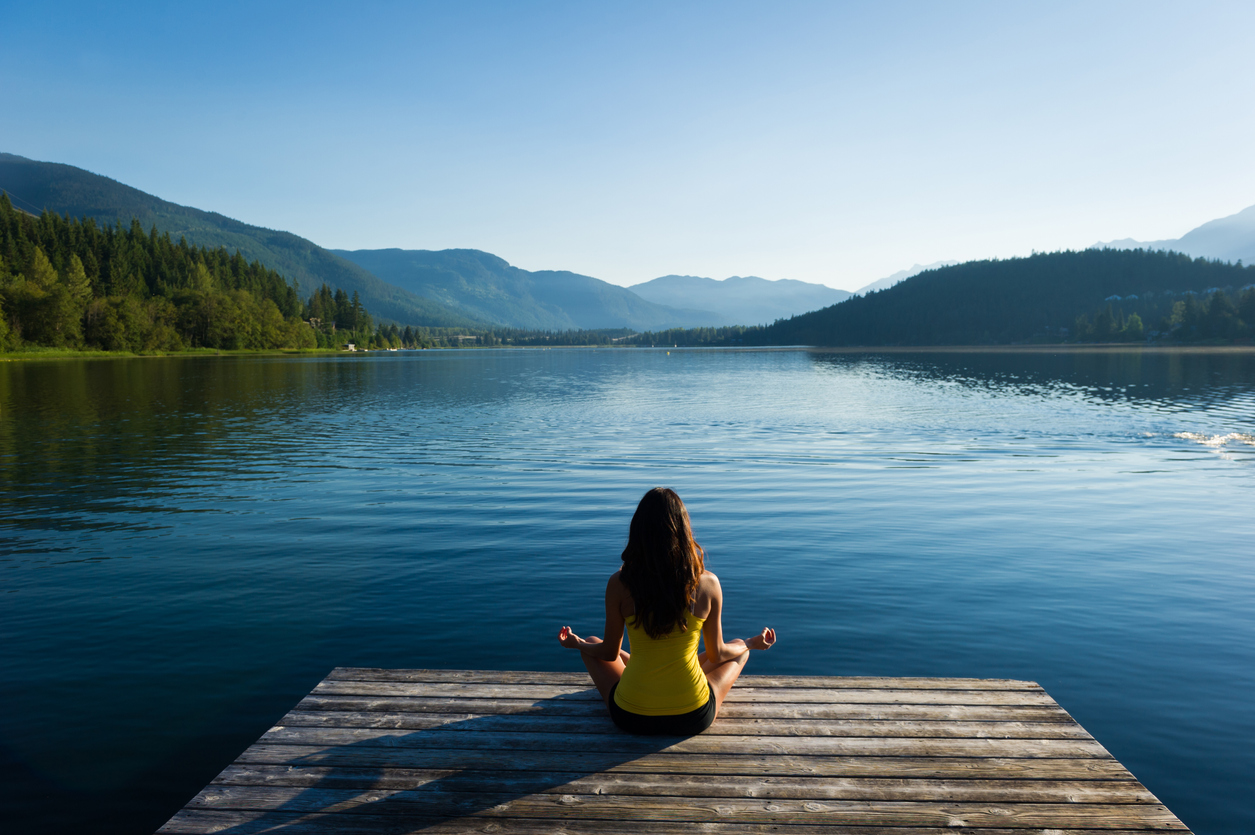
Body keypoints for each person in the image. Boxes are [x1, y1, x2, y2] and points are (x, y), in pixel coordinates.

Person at [558, 487, 776, 735]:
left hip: (631, 716)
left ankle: (643, 675)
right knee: (738, 649)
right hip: (693, 716)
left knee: (592, 644)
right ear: (684, 531)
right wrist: (751, 642)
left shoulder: (619, 583)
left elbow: (609, 653)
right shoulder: (708, 584)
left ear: (638, 532)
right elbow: (717, 655)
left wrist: (577, 644)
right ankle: (735, 651)